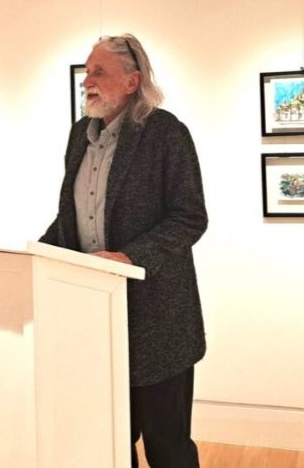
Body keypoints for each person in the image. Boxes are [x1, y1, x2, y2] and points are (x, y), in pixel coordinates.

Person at [39, 34, 208, 468]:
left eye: (99, 72)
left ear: (132, 81)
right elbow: (72, 218)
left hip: (157, 319)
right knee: (107, 443)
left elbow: (189, 217)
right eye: (86, 72)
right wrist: (35, 255)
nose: (87, 81)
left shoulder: (166, 133)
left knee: (167, 447)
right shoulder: (80, 134)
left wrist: (131, 257)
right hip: (95, 318)